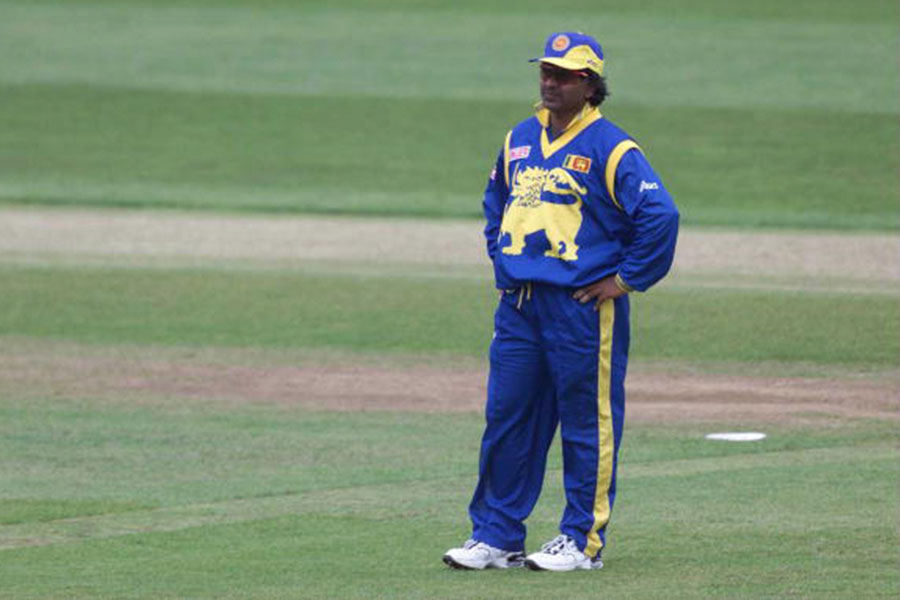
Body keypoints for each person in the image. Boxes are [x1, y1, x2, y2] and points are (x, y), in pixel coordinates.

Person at [442, 31, 679, 572]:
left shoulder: (614, 148)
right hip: (520, 306)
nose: (549, 82)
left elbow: (660, 216)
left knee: (585, 422)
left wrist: (625, 280)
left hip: (581, 307)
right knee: (508, 419)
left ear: (588, 84)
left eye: (562, 74)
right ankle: (497, 535)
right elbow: (495, 204)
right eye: (545, 72)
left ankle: (580, 541)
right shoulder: (519, 138)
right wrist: (504, 262)